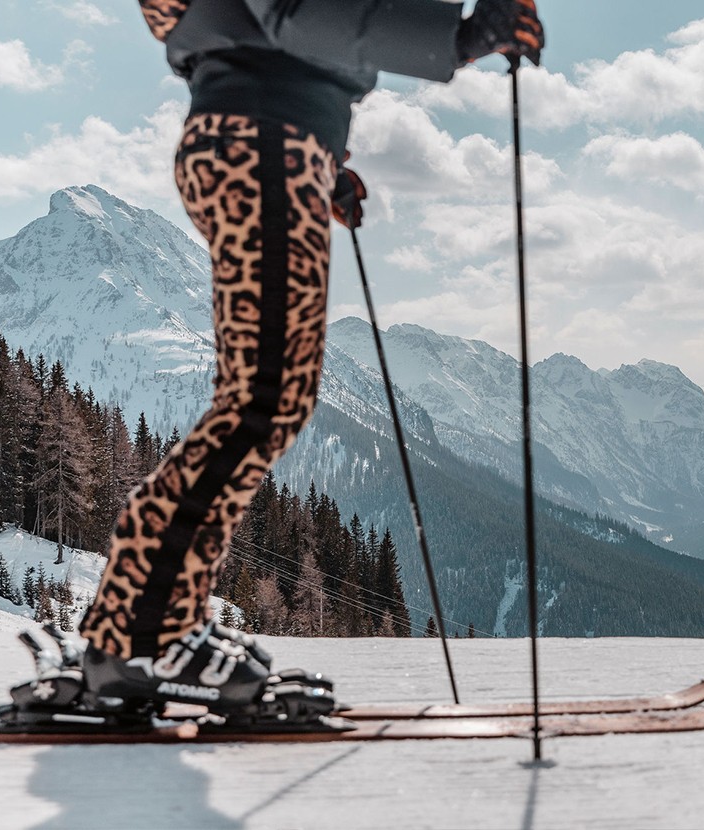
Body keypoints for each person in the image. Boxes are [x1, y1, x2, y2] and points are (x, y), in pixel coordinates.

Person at [67, 0, 545, 722]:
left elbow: (279, 34)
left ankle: (147, 625)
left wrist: (320, 156)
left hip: (265, 141)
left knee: (264, 398)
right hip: (263, 141)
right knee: (264, 398)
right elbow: (292, 14)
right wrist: (459, 39)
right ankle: (142, 633)